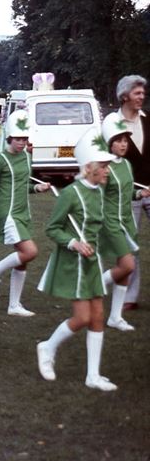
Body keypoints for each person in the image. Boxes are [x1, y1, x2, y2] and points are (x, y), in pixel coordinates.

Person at [36, 127, 118, 391]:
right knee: (82, 317)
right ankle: (47, 347)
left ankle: (92, 376)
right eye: (104, 166)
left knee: (97, 316)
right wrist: (73, 243)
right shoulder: (70, 194)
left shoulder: (98, 192)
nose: (107, 170)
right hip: (73, 264)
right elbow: (52, 228)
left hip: (92, 262)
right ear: (90, 167)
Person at [0, 110, 52, 316]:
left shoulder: (27, 157)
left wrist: (36, 188)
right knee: (30, 251)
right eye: (18, 139)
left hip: (23, 212)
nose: (21, 143)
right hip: (7, 212)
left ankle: (14, 305)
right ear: (10, 138)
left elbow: (23, 184)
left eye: (24, 139)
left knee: (24, 258)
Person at [99, 113, 150, 330]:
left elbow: (128, 194)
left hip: (126, 222)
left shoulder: (127, 166)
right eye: (119, 140)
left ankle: (115, 316)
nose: (123, 144)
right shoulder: (103, 168)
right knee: (128, 265)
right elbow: (95, 197)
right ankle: (94, 283)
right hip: (111, 222)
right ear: (109, 143)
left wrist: (141, 194)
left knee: (125, 269)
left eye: (125, 140)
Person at [116, 75, 148, 312]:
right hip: (129, 194)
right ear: (124, 95)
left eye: (143, 93)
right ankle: (130, 296)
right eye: (137, 93)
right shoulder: (112, 125)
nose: (142, 97)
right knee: (130, 245)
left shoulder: (148, 121)